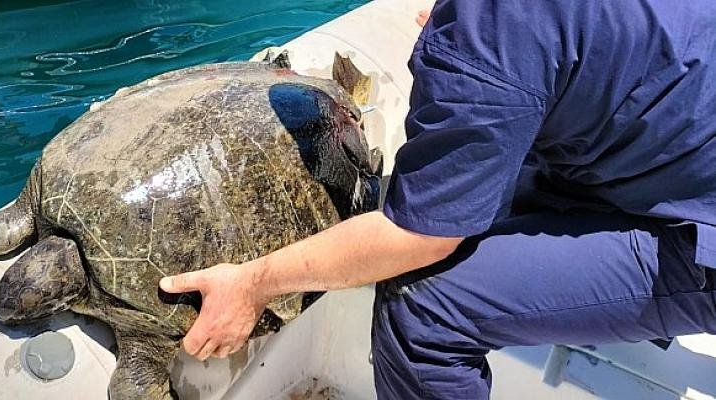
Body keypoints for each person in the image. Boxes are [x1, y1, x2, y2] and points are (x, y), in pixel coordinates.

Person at [160, 0, 716, 398]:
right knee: (494, 188)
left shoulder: (488, 31)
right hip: (684, 160)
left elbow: (420, 237)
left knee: (423, 304)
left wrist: (253, 284)